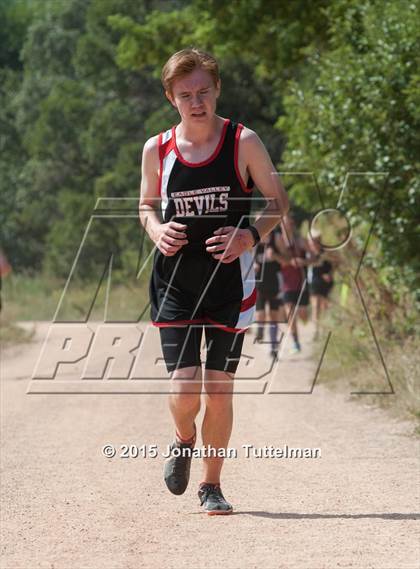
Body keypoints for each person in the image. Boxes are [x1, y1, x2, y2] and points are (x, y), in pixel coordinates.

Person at [139, 48, 289, 515]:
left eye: (204, 91)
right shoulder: (156, 149)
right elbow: (145, 206)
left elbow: (278, 202)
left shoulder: (243, 142)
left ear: (217, 90)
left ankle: (212, 485)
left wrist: (249, 235)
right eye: (186, 94)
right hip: (176, 285)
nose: (197, 101)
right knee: (185, 390)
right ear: (171, 98)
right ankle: (183, 439)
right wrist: (156, 228)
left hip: (230, 286)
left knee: (219, 388)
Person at [275, 215, 313, 354]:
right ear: (281, 226)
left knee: (303, 315)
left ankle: (306, 319)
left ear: (293, 225)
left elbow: (314, 257)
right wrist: (287, 261)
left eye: (290, 224)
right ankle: (296, 343)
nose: (288, 227)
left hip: (301, 282)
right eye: (285, 224)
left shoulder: (300, 241)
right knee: (290, 313)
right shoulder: (278, 241)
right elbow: (276, 258)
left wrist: (305, 262)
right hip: (285, 284)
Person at [254, 226, 286, 359]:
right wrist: (253, 265)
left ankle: (273, 348)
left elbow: (288, 260)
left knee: (273, 316)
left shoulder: (277, 239)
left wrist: (276, 256)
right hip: (259, 284)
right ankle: (260, 330)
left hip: (274, 283)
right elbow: (246, 260)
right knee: (260, 314)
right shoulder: (254, 241)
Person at [307, 231, 336, 340]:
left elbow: (335, 264)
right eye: (310, 242)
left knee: (325, 306)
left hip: (326, 283)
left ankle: (324, 330)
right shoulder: (310, 254)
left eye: (313, 242)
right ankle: (316, 331)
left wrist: (330, 274)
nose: (312, 244)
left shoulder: (326, 252)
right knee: (316, 307)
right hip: (314, 281)